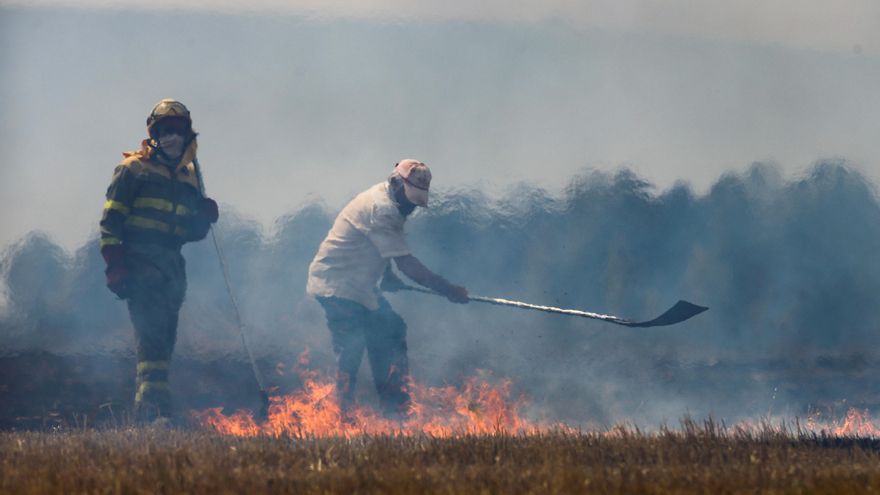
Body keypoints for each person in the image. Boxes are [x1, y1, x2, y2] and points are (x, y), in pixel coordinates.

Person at [306, 159, 469, 419]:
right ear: (396, 182)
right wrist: (447, 289)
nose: (411, 208)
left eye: (415, 203)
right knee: (351, 345)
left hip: (362, 287)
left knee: (391, 329)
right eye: (409, 200)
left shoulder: (391, 203)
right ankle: (342, 415)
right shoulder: (381, 209)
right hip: (336, 284)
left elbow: (380, 249)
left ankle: (395, 410)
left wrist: (387, 275)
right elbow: (407, 264)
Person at [99, 99, 219, 422]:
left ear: (187, 135)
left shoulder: (188, 177)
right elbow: (111, 224)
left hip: (172, 270)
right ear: (154, 133)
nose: (172, 137)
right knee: (151, 345)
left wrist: (204, 219)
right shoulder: (132, 170)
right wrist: (116, 266)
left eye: (177, 132)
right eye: (165, 131)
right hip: (141, 264)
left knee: (163, 347)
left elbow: (188, 233)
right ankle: (154, 415)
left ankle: (149, 413)